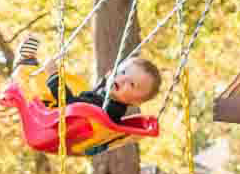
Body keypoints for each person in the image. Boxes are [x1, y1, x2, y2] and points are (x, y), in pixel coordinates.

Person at [14, 35, 161, 126]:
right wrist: (105, 80)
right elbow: (95, 94)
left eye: (132, 84)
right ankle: (32, 65)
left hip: (52, 116)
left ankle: (24, 65)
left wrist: (54, 75)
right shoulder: (109, 101)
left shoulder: (106, 109)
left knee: (45, 83)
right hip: (64, 113)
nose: (122, 79)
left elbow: (70, 105)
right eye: (122, 71)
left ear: (135, 102)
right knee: (78, 83)